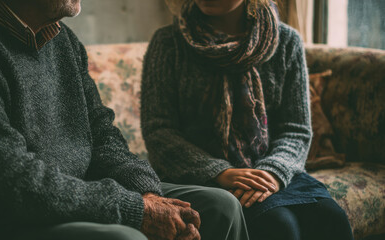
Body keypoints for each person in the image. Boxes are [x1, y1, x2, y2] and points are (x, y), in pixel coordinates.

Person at [0, 0, 208, 239]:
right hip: (8, 218)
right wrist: (136, 210)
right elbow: (11, 180)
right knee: (125, 237)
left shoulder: (63, 39)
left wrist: (147, 193)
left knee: (219, 207)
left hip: (85, 193)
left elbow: (103, 136)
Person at [141, 0, 355, 239]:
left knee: (331, 219)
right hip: (199, 176)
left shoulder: (286, 42)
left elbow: (295, 130)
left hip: (268, 171)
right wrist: (219, 172)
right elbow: (158, 131)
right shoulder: (168, 44)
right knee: (279, 226)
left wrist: (273, 173)